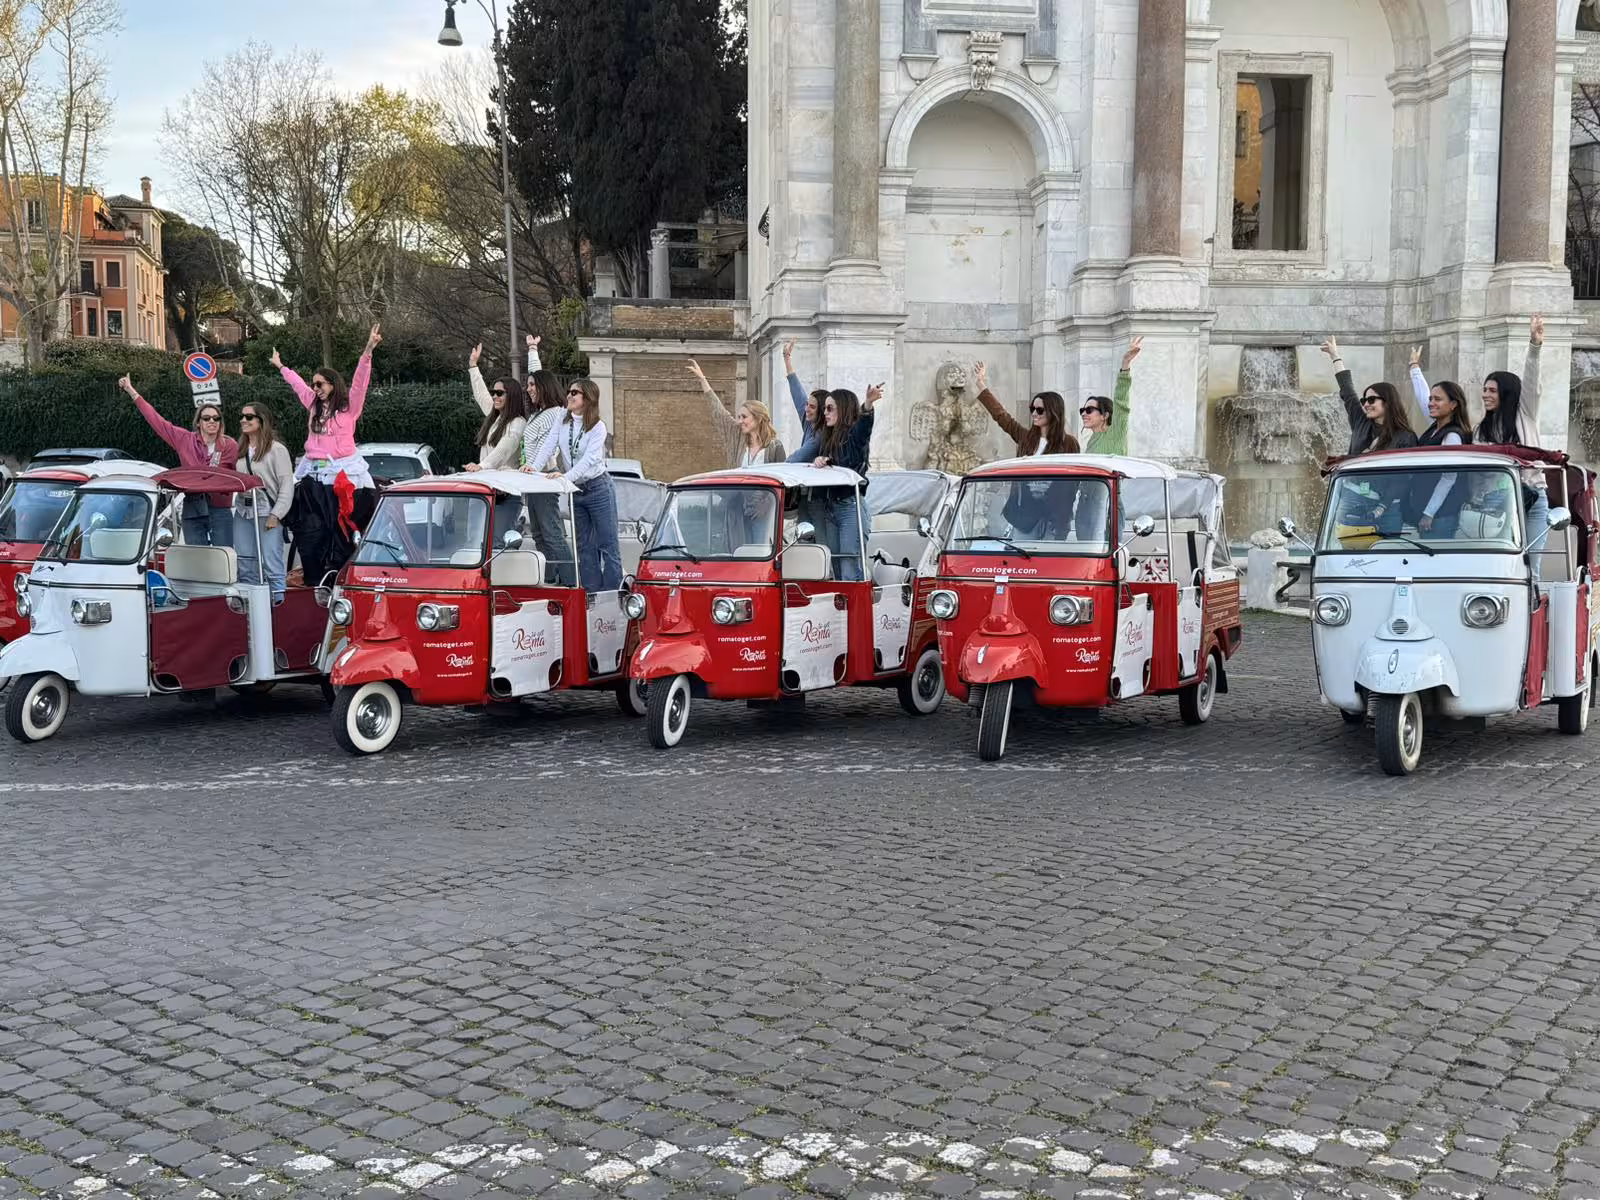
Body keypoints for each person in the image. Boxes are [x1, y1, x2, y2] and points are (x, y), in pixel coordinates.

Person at [272, 322, 381, 585]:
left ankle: (341, 573)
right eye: (315, 384)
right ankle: (314, 575)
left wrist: (368, 351)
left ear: (332, 384)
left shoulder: (348, 409)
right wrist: (281, 366)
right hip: (314, 472)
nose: (316, 387)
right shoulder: (312, 405)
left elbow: (359, 384)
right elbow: (298, 385)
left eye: (320, 383)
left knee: (342, 525)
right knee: (311, 527)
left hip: (343, 473)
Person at [118, 375, 237, 547]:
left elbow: (222, 475)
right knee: (197, 556)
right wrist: (131, 391)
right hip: (193, 507)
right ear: (198, 423)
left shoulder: (229, 445)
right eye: (206, 418)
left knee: (224, 557)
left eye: (216, 418)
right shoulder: (185, 439)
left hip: (219, 508)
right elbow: (157, 421)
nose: (212, 421)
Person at [528, 378, 622, 592]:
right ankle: (591, 595)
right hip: (576, 492)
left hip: (598, 488)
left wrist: (565, 478)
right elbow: (549, 445)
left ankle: (611, 596)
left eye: (575, 393)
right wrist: (533, 468)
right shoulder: (562, 417)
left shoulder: (598, 427)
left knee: (607, 545)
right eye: (569, 392)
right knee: (584, 547)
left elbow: (590, 459)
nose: (569, 396)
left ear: (587, 399)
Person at [1476, 314, 1550, 575]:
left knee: (1532, 566)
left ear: (1506, 393)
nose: (1485, 394)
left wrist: (1534, 346)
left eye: (1492, 390)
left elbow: (1531, 382)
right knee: (1501, 564)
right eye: (1484, 389)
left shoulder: (1525, 413)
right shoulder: (1483, 429)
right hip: (1499, 501)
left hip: (1533, 497)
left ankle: (1531, 615)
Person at [519, 335, 577, 586]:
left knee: (552, 534)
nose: (529, 389)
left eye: (533, 386)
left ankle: (570, 582)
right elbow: (537, 374)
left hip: (543, 480)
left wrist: (532, 469)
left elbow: (544, 450)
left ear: (544, 387)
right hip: (532, 481)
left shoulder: (556, 413)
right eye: (528, 385)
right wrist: (532, 349)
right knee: (540, 535)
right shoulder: (539, 413)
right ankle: (551, 578)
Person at [811, 384, 883, 581]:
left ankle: (856, 610)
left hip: (851, 507)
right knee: (836, 564)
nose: (825, 413)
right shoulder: (829, 438)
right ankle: (842, 610)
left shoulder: (853, 436)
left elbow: (864, 428)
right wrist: (821, 460)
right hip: (831, 508)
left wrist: (868, 403)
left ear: (843, 409)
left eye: (830, 408)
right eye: (825, 408)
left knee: (849, 566)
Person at [465, 342, 530, 542]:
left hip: (506, 493)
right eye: (494, 392)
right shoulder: (495, 417)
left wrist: (481, 466)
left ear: (512, 395)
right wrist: (473, 366)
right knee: (477, 540)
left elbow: (504, 449)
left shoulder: (517, 423)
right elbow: (481, 396)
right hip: (486, 489)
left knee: (498, 541)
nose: (495, 396)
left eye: (500, 393)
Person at [1405, 346, 1473, 537]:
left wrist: (1429, 513)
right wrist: (1414, 367)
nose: (1431, 403)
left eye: (1438, 399)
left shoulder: (1452, 436)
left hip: (1440, 515)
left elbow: (1448, 478)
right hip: (1429, 511)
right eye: (1431, 398)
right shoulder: (1437, 428)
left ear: (1453, 405)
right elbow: (1422, 398)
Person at [233, 403, 294, 602]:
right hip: (243, 511)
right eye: (242, 416)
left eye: (249, 417)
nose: (243, 420)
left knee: (271, 562)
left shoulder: (277, 450)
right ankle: (251, 606)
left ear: (261, 421)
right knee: (244, 561)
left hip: (268, 511)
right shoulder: (239, 450)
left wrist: (276, 514)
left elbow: (286, 484)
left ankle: (279, 606)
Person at [1320, 336, 1419, 456]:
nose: (1366, 404)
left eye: (1371, 400)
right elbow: (1347, 390)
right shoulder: (1361, 422)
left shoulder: (1406, 437)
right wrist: (1335, 356)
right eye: (1364, 400)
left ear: (1388, 402)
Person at [687, 359, 787, 467]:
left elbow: (782, 477)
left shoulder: (775, 447)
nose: (740, 421)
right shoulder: (737, 436)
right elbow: (719, 412)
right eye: (738, 417)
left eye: (744, 417)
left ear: (759, 418)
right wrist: (703, 380)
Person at [972, 363, 1080, 456]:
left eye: (1039, 410)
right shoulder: (1026, 437)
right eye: (1032, 409)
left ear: (1054, 412)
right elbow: (1001, 416)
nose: (1034, 413)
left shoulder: (1069, 443)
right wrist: (980, 383)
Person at [1081, 337, 1143, 454]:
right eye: (1082, 410)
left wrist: (1125, 363)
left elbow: (1121, 402)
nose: (1084, 413)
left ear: (1105, 415)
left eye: (1089, 410)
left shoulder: (1116, 432)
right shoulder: (1091, 441)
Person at [781, 339, 829, 465]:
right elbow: (798, 393)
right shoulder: (810, 422)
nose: (806, 408)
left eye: (812, 406)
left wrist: (776, 469)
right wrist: (787, 359)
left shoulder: (819, 436)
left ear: (822, 411)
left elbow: (795, 459)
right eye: (808, 404)